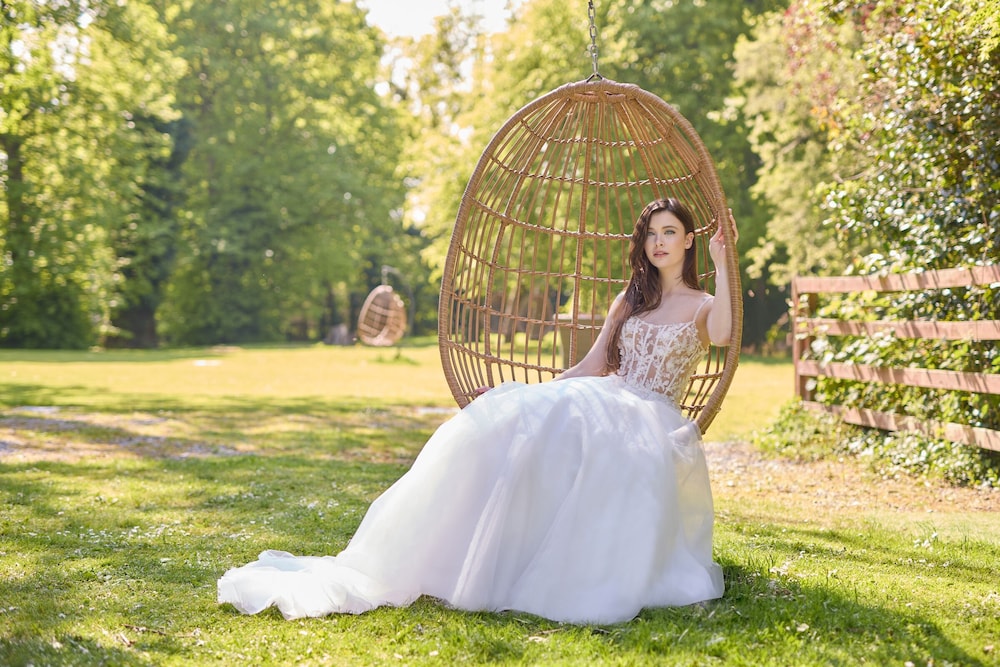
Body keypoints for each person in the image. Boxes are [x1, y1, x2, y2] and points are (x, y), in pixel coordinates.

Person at [218, 198, 738, 625]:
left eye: (670, 233)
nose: (658, 243)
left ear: (687, 241)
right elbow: (593, 364)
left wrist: (721, 262)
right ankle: (461, 548)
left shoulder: (702, 305)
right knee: (522, 419)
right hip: (607, 394)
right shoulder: (630, 299)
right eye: (651, 234)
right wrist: (532, 392)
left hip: (651, 416)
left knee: (578, 435)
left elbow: (722, 334)